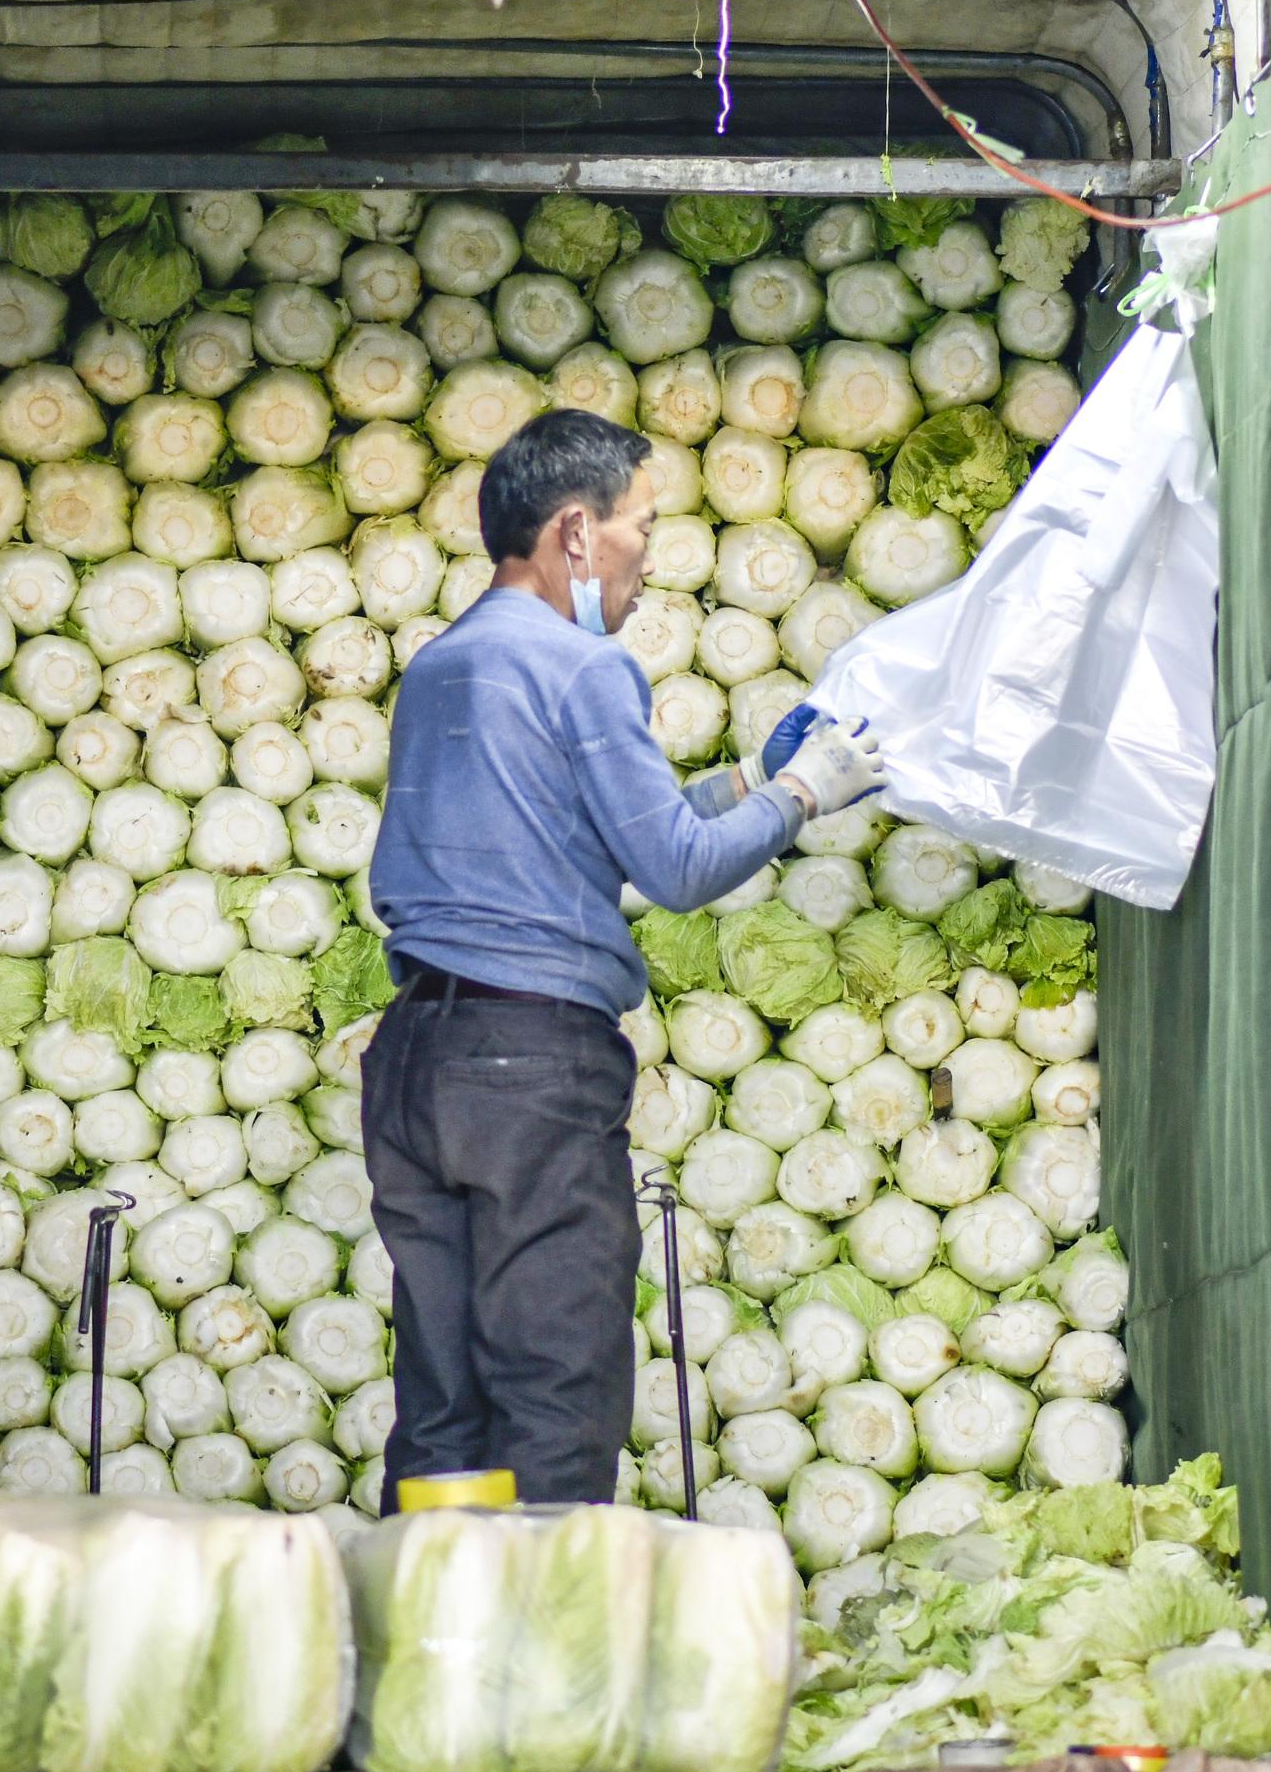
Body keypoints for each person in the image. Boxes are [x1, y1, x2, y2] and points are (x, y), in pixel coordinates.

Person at [363, 410, 886, 1509]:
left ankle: (432, 1650)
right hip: (530, 1066)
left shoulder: (443, 667)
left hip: (416, 1059)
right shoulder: (585, 668)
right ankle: (546, 1661)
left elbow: (577, 840)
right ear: (576, 532)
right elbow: (682, 871)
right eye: (643, 528)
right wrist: (806, 795)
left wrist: (742, 782)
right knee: (554, 1386)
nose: (651, 561)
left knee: (446, 1397)